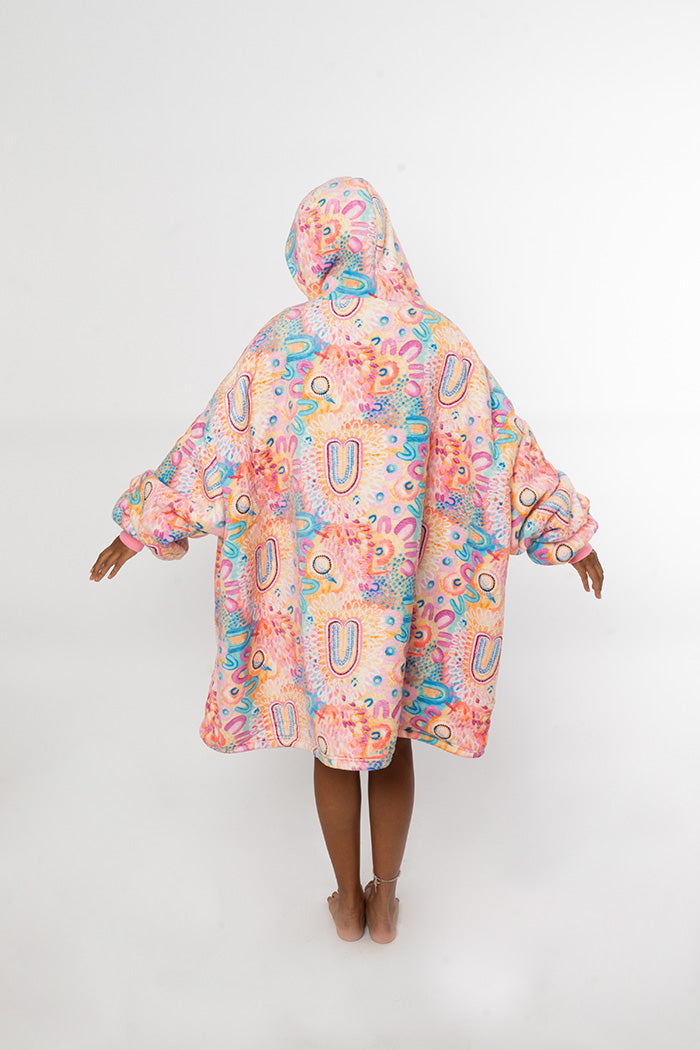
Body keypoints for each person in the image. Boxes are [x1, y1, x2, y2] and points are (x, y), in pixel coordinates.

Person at [90, 175, 604, 944]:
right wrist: (569, 534)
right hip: (399, 599)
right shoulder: (434, 340)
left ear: (310, 246)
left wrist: (139, 527)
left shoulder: (283, 342)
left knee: (334, 752)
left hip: (317, 598)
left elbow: (216, 445)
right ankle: (386, 899)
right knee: (390, 745)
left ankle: (346, 902)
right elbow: (499, 445)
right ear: (381, 241)